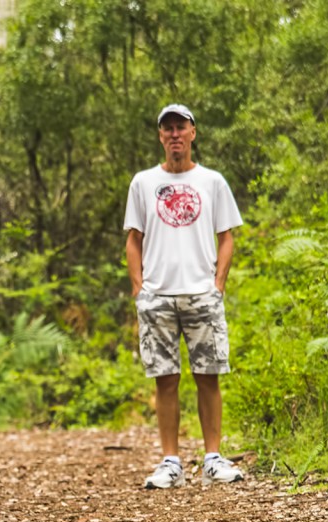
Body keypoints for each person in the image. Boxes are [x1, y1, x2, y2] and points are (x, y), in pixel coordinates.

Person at [123, 104, 244, 489]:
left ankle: (212, 458)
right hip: (158, 296)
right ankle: (170, 462)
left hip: (201, 294)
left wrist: (218, 285)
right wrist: (139, 288)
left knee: (208, 376)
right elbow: (133, 239)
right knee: (165, 379)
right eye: (168, 128)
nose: (175, 134)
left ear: (193, 133)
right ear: (160, 136)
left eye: (181, 127)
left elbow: (226, 237)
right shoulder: (143, 183)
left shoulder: (212, 182)